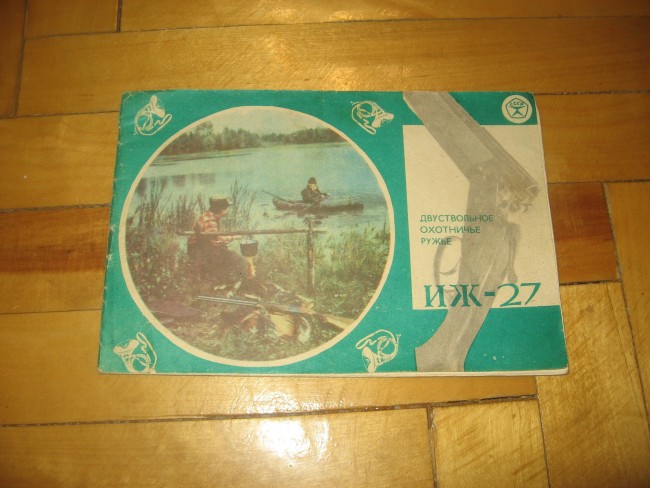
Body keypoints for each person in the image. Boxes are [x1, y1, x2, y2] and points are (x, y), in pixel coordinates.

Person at [188, 197, 248, 286]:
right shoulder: (210, 220)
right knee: (240, 261)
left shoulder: (209, 215)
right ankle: (229, 285)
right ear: (221, 209)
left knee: (226, 254)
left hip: (202, 249)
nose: (228, 210)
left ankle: (221, 283)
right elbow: (216, 240)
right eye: (227, 208)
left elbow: (213, 238)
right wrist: (235, 237)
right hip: (199, 251)